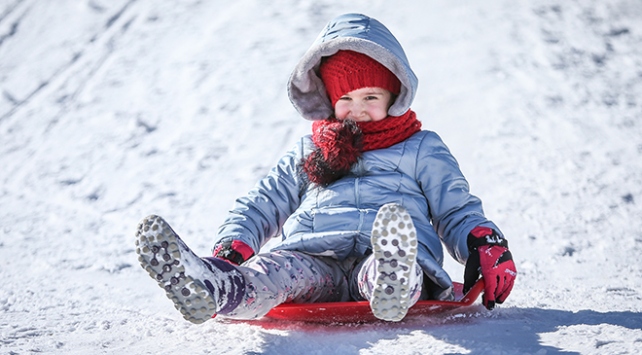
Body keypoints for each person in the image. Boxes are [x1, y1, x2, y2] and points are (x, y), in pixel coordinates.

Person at [135, 13, 516, 324]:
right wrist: (232, 248)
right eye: (346, 98)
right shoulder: (310, 149)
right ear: (330, 100)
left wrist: (484, 241)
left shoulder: (421, 147)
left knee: (396, 262)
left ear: (394, 94)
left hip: (387, 253)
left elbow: (456, 209)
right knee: (273, 272)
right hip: (314, 257)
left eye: (371, 96)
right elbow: (264, 202)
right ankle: (216, 288)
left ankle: (394, 280)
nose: (358, 108)